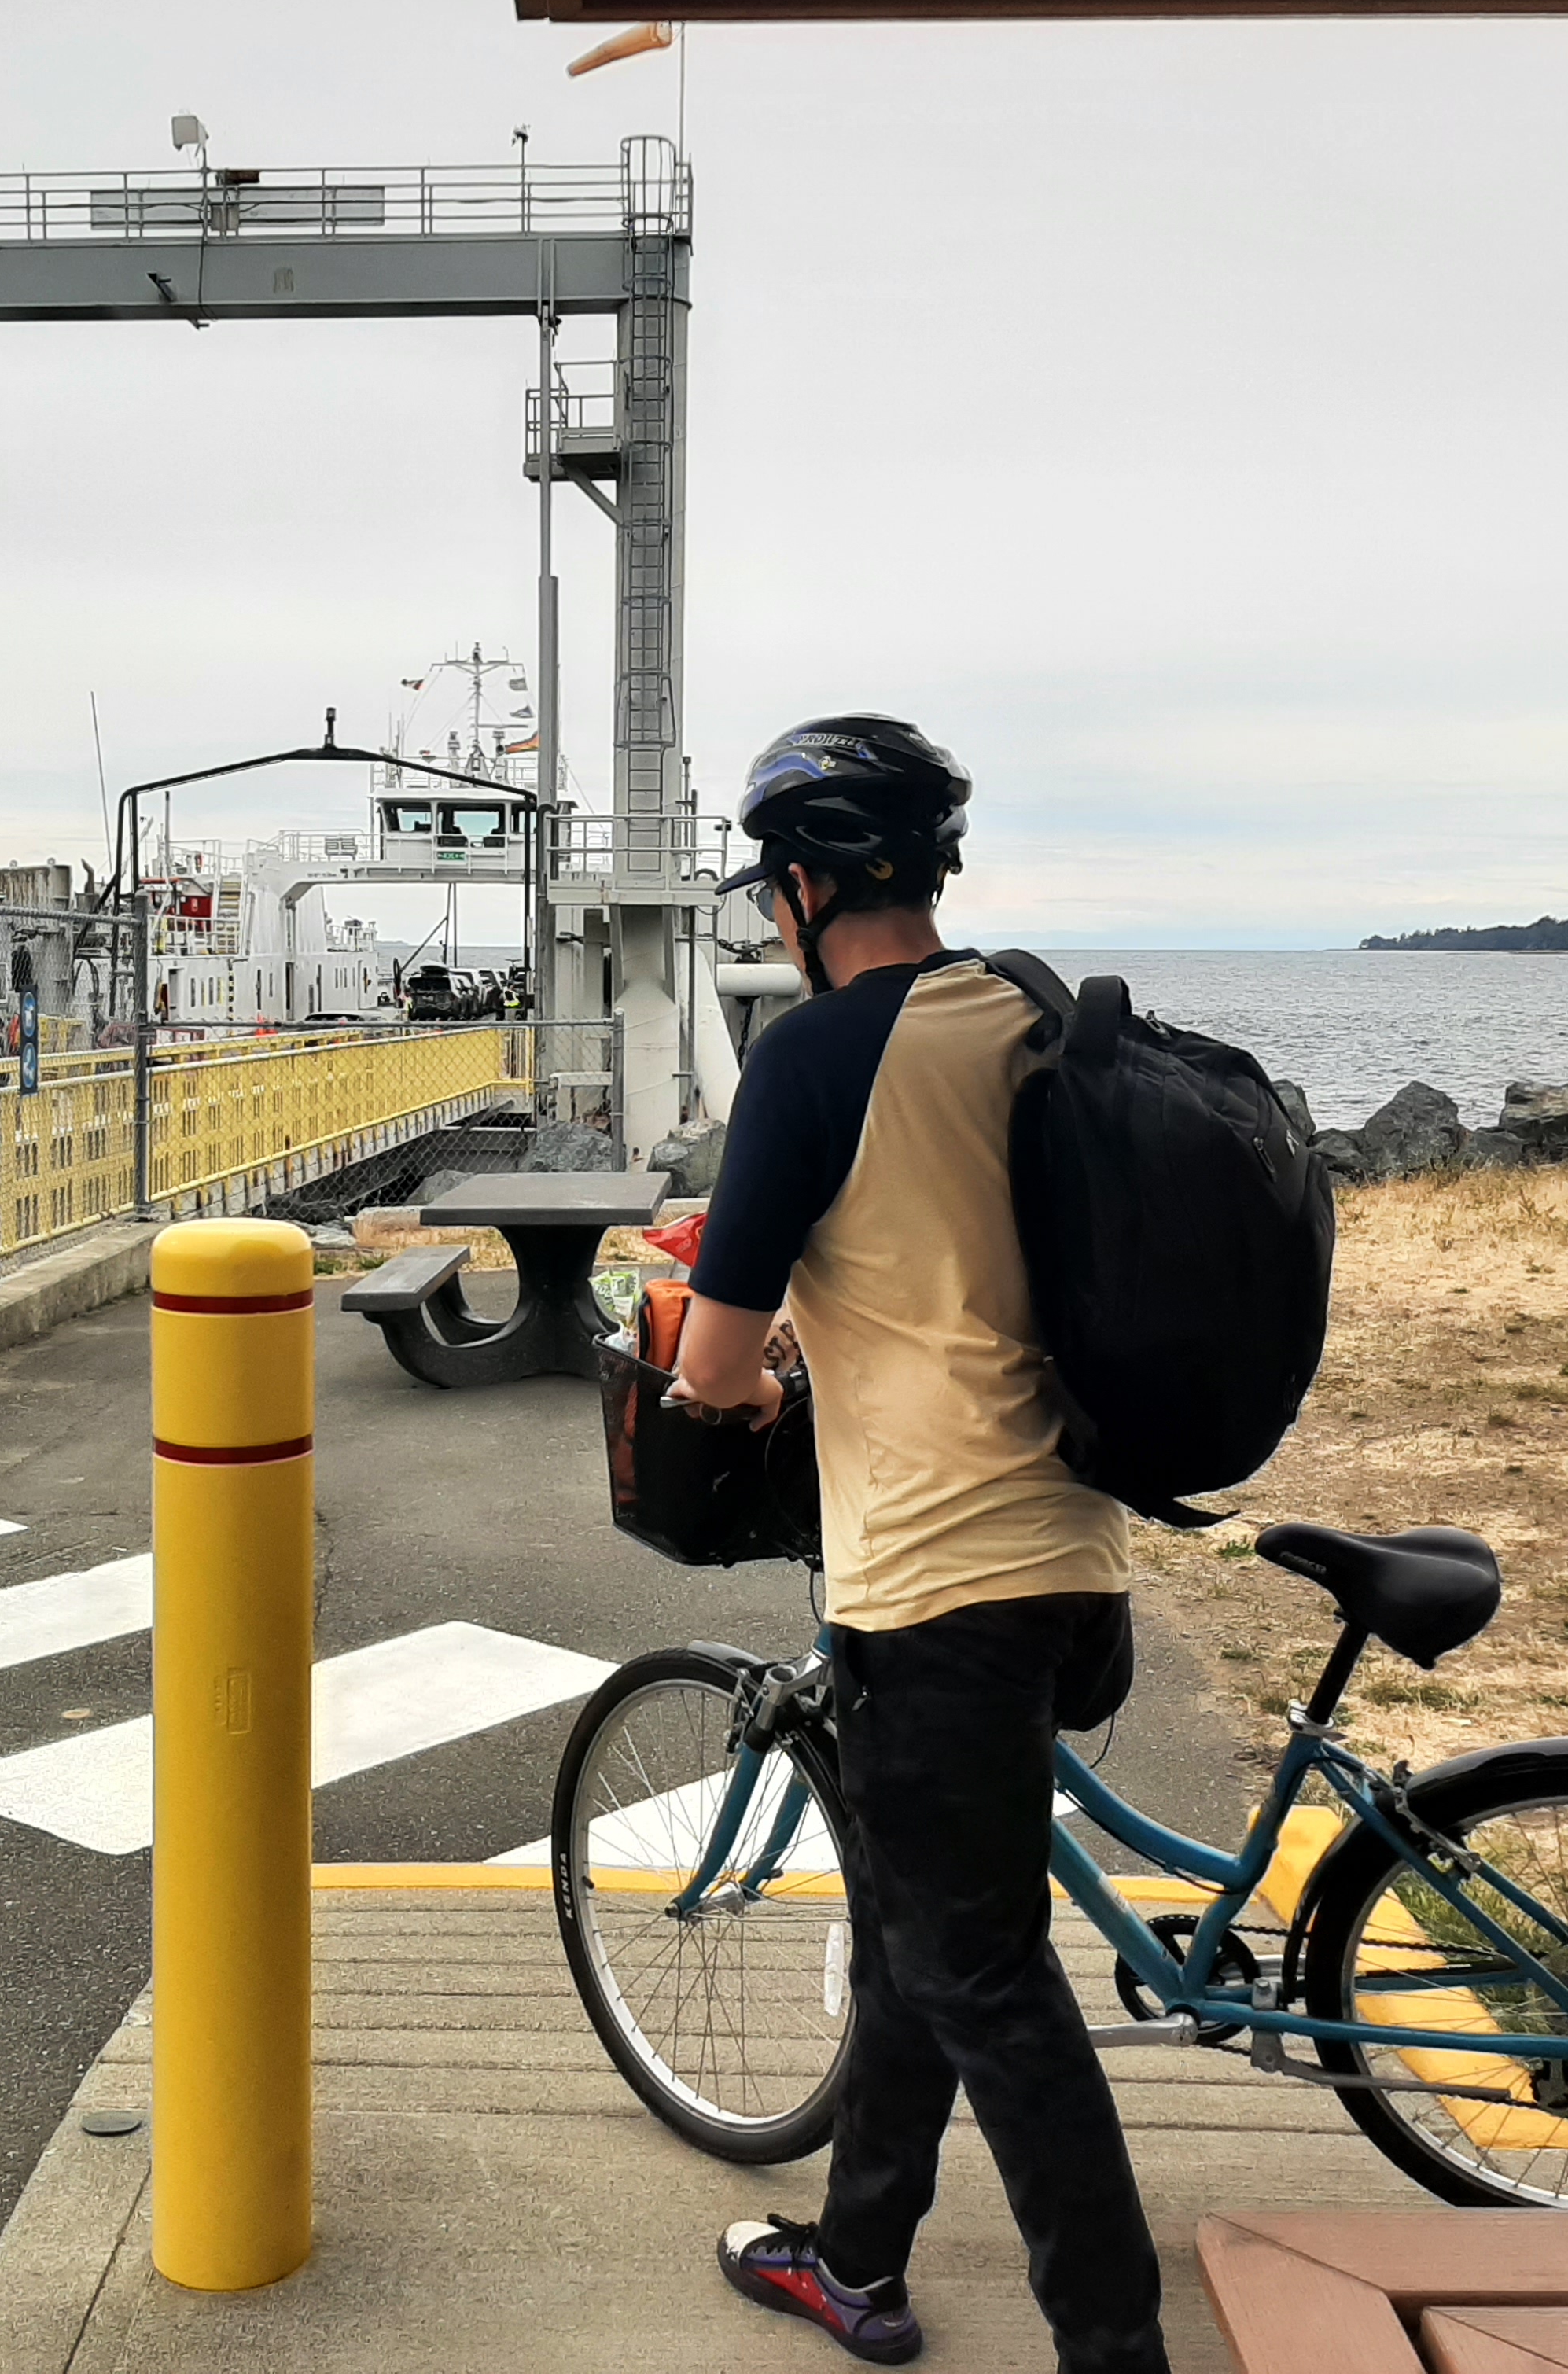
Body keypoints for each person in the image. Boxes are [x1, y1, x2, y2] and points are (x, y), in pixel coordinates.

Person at [667, 716, 1169, 2373]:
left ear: (804, 890)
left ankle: (1118, 2351)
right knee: (920, 1941)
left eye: (773, 889)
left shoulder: (816, 1059)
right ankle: (856, 2258)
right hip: (1076, 1560)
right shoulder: (1026, 1015)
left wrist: (755, 1387)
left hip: (942, 1583)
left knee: (990, 1981)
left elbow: (710, 1366)